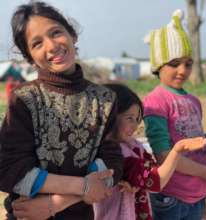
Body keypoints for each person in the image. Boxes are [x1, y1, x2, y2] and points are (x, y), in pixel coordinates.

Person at [0, 1, 123, 219]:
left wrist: (56, 203)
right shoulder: (24, 99)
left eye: (56, 33)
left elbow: (112, 163)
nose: (51, 46)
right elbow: (10, 170)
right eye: (37, 43)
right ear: (29, 57)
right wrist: (83, 186)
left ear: (73, 35)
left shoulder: (105, 100)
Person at [143, 9, 206, 220]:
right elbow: (163, 155)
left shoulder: (193, 101)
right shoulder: (156, 101)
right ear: (158, 65)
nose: (182, 70)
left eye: (188, 63)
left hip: (197, 192)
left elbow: (198, 142)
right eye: (174, 64)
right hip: (172, 195)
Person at [94, 83, 206, 220]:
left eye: (137, 120)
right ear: (109, 114)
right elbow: (157, 181)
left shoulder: (134, 147)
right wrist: (177, 150)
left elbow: (151, 170)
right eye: (129, 118)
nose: (135, 126)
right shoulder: (121, 154)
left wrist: (136, 182)